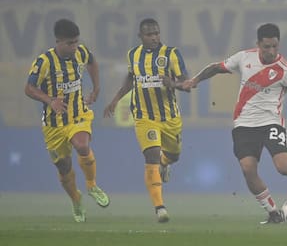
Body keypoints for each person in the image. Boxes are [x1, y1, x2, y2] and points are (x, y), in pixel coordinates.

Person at [183, 23, 287, 224]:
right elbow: (216, 68)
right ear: (258, 44)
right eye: (267, 47)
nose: (271, 51)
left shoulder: (286, 71)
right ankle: (273, 213)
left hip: (271, 123)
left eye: (275, 47)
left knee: (284, 167)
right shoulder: (244, 58)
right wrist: (194, 80)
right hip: (244, 125)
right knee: (248, 170)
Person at [103, 18, 189, 223]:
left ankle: (165, 164)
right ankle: (160, 207)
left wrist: (173, 83)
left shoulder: (171, 54)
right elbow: (131, 78)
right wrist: (115, 100)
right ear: (140, 36)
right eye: (150, 34)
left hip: (170, 118)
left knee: (173, 155)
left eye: (157, 33)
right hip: (143, 117)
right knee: (151, 156)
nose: (154, 37)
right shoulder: (133, 54)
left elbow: (187, 83)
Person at [24, 19, 110, 223]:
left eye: (76, 42)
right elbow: (29, 89)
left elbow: (92, 62)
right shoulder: (44, 61)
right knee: (63, 166)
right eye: (70, 43)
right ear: (58, 42)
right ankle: (76, 200)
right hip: (54, 124)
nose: (74, 47)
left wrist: (96, 88)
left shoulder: (81, 52)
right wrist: (50, 100)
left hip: (78, 114)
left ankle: (92, 185)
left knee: (82, 145)